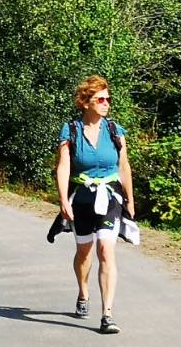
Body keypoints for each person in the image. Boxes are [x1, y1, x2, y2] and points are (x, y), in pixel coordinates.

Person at [55, 75, 135, 334]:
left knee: (105, 250)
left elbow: (124, 166)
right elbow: (64, 165)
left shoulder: (115, 131)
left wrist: (130, 201)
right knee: (84, 253)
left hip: (110, 196)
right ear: (85, 102)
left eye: (108, 99)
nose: (106, 103)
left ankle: (107, 315)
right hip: (83, 197)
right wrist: (62, 200)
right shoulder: (72, 130)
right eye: (100, 99)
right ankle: (83, 292)